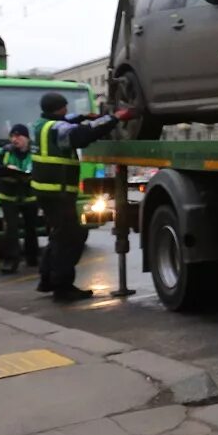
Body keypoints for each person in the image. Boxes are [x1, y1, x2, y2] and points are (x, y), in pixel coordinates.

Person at [33, 93, 129, 303]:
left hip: (47, 192)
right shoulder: (58, 129)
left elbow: (71, 121)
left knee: (58, 236)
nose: (67, 111)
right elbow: (82, 135)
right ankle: (63, 288)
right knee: (71, 238)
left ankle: (47, 279)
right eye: (65, 107)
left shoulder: (41, 125)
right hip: (58, 192)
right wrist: (114, 118)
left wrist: (85, 115)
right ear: (58, 109)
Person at [0, 124, 40, 275]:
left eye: (19, 136)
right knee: (11, 229)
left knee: (31, 227)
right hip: (8, 196)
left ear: (27, 138)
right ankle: (11, 261)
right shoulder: (5, 152)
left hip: (30, 195)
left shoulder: (36, 151)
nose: (15, 139)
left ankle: (32, 257)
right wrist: (4, 170)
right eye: (12, 136)